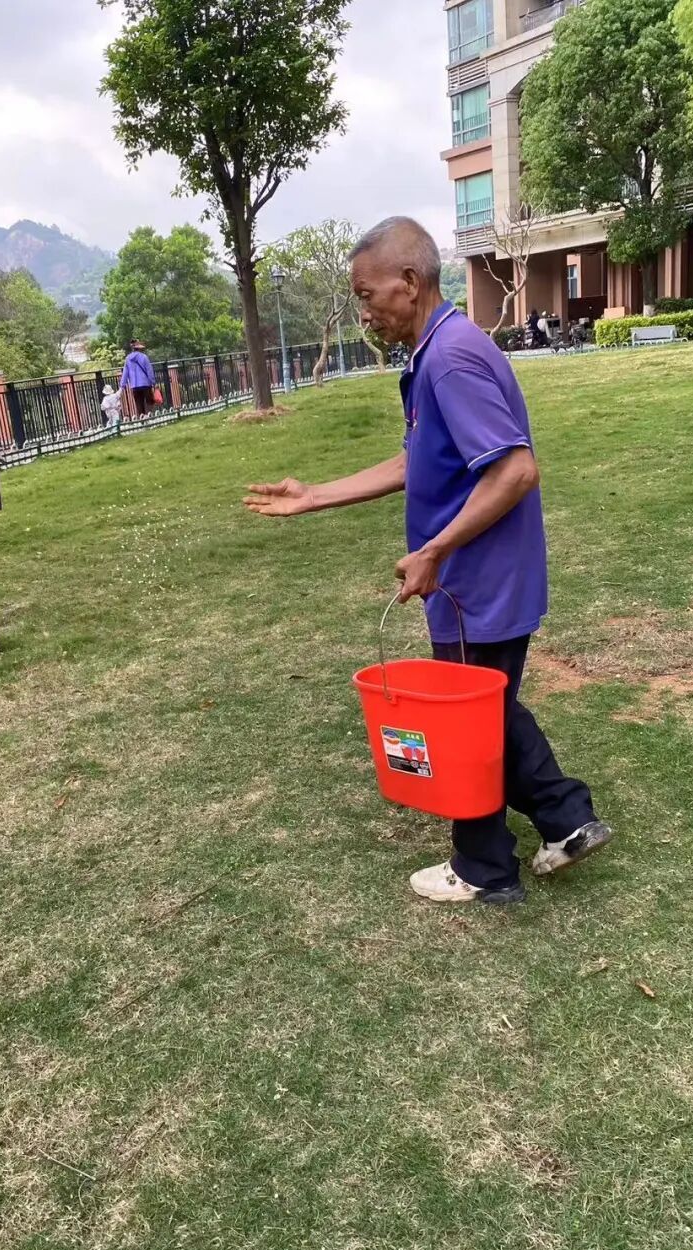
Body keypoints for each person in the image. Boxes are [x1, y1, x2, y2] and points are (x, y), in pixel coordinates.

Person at [244, 216, 611, 905]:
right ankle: (564, 819)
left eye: (367, 294)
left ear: (410, 282)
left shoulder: (450, 358)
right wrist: (315, 494)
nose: (364, 312)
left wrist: (435, 551)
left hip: (479, 583)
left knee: (472, 721)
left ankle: (485, 865)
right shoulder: (437, 349)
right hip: (475, 582)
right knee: (489, 710)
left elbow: (514, 470)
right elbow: (420, 460)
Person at [120, 340, 156, 419]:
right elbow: (149, 370)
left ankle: (141, 416)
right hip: (145, 383)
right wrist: (153, 381)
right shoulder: (144, 357)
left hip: (134, 385)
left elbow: (125, 372)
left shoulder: (128, 358)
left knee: (139, 402)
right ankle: (149, 415)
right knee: (149, 400)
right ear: (139, 348)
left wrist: (122, 385)